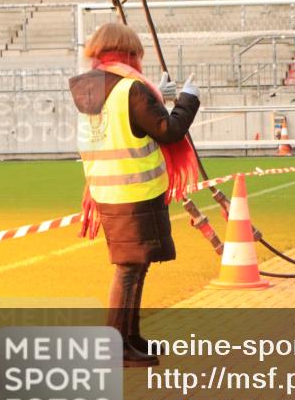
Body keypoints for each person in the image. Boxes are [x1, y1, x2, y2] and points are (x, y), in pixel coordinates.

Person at [70, 22, 200, 367]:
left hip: (107, 190)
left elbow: (125, 123)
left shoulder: (90, 88)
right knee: (129, 269)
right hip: (136, 191)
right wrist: (188, 100)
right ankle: (117, 347)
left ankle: (130, 337)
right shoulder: (129, 88)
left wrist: (154, 94)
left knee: (135, 267)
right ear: (128, 53)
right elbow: (168, 131)